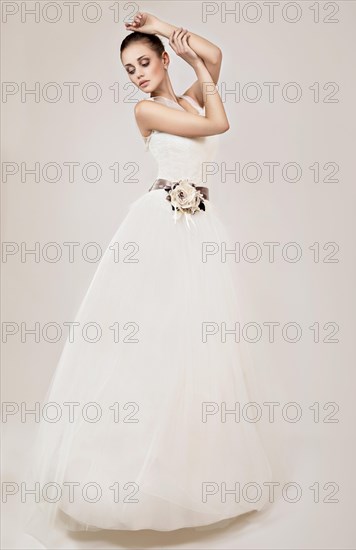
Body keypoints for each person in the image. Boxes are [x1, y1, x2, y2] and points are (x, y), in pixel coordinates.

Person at [25, 11, 275, 534]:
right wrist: (192, 63)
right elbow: (218, 123)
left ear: (161, 59)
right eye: (128, 69)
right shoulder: (147, 111)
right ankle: (121, 474)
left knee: (196, 347)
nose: (137, 74)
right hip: (159, 226)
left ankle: (190, 472)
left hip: (199, 230)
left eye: (144, 61)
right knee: (152, 343)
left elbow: (217, 56)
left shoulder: (184, 99)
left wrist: (165, 26)